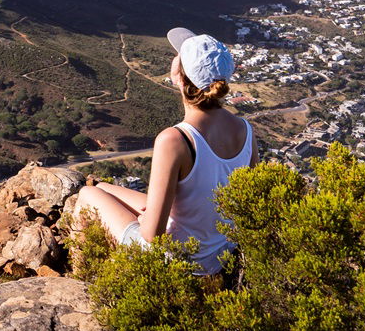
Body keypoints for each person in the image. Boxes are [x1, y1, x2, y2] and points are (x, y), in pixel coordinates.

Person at [74, 26, 255, 274]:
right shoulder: (245, 130)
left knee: (87, 194)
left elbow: (151, 235)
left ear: (179, 77)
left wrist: (144, 220)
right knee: (103, 188)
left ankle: (85, 276)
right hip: (220, 255)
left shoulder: (175, 140)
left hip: (179, 262)